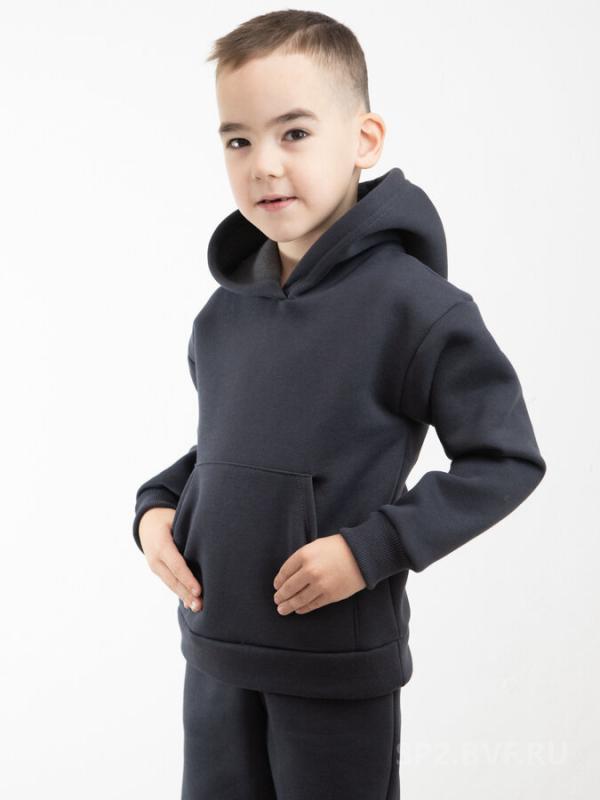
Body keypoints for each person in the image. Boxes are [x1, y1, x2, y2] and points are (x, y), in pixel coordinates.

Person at [131, 10, 546, 799]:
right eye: (238, 141)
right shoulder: (221, 317)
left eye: (293, 133)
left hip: (333, 666)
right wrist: (157, 508)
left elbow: (505, 458)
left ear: (364, 139)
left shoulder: (418, 310)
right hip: (213, 655)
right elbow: (223, 452)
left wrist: (372, 549)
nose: (263, 165)